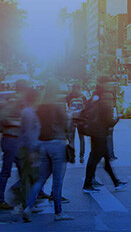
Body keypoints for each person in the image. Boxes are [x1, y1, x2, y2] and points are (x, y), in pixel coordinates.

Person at [23, 79, 72, 222]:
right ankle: (58, 213)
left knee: (41, 179)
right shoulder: (58, 105)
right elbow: (66, 125)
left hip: (43, 145)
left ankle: (28, 207)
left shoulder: (40, 107)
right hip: (57, 144)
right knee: (57, 180)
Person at [82, 79, 127, 193]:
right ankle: (88, 184)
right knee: (95, 159)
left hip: (95, 132)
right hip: (100, 133)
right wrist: (118, 117)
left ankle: (116, 182)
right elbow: (109, 122)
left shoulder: (95, 99)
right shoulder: (104, 102)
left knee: (103, 159)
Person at [0, 79, 28, 210]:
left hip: (13, 140)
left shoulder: (17, 99)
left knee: (23, 169)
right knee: (6, 172)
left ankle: (22, 194)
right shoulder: (15, 100)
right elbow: (3, 117)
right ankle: (1, 199)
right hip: (11, 140)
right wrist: (19, 123)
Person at [66, 84, 86, 164]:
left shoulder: (69, 96)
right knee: (81, 138)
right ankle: (81, 156)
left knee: (71, 139)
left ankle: (72, 157)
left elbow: (68, 107)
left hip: (72, 119)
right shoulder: (83, 97)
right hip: (81, 120)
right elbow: (85, 108)